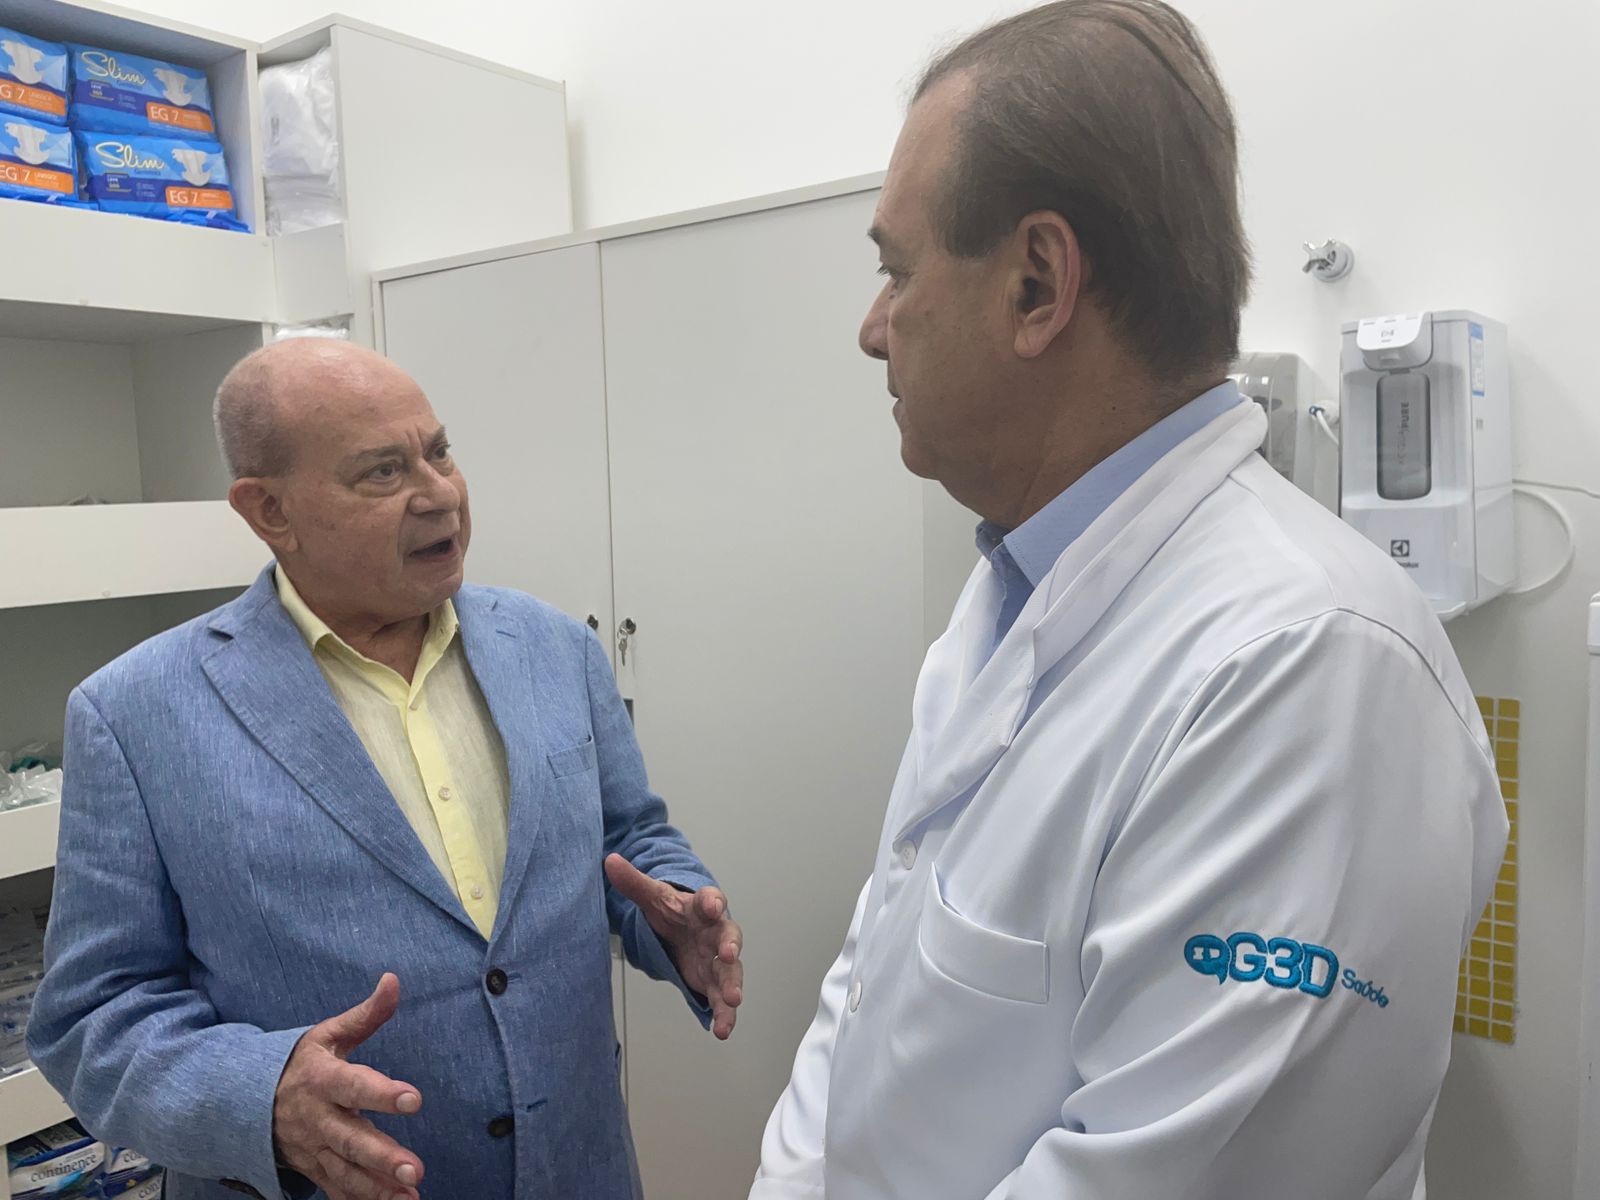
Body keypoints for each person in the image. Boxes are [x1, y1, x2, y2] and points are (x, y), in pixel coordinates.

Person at [751, 3, 1507, 1197]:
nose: (872, 329)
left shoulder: (1305, 667)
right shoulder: (1008, 594)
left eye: (896, 271)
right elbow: (869, 977)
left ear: (1038, 285)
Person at [28, 339, 745, 1200]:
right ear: (269, 511)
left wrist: (673, 912)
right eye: (383, 471)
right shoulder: (135, 714)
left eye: (439, 452)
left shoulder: (555, 648)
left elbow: (630, 838)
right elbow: (92, 1017)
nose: (440, 493)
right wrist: (262, 1099)